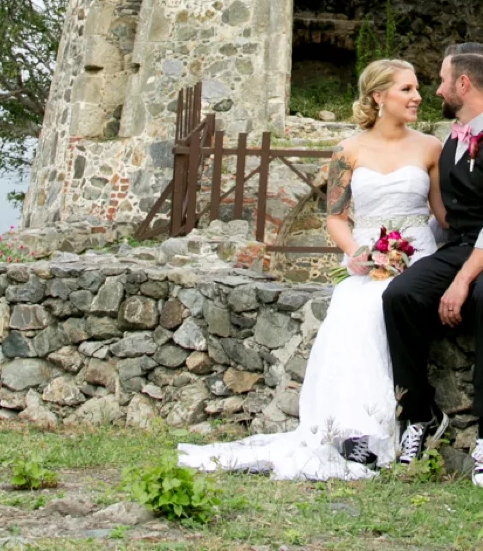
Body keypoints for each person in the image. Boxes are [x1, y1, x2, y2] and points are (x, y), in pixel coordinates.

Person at [176, 59, 444, 479]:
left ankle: (406, 421)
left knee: (387, 306)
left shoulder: (430, 147)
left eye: (416, 89)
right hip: (367, 253)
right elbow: (336, 218)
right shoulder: (348, 150)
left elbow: (442, 214)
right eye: (407, 90)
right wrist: (357, 252)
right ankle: (356, 432)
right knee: (352, 312)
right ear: (379, 96)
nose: (417, 96)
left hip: (419, 253)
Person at [382, 42, 483, 488]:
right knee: (400, 294)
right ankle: (420, 415)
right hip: (463, 245)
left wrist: (458, 283)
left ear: (464, 82)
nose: (435, 89)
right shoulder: (453, 137)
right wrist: (418, 263)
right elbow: (452, 217)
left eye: (441, 79)